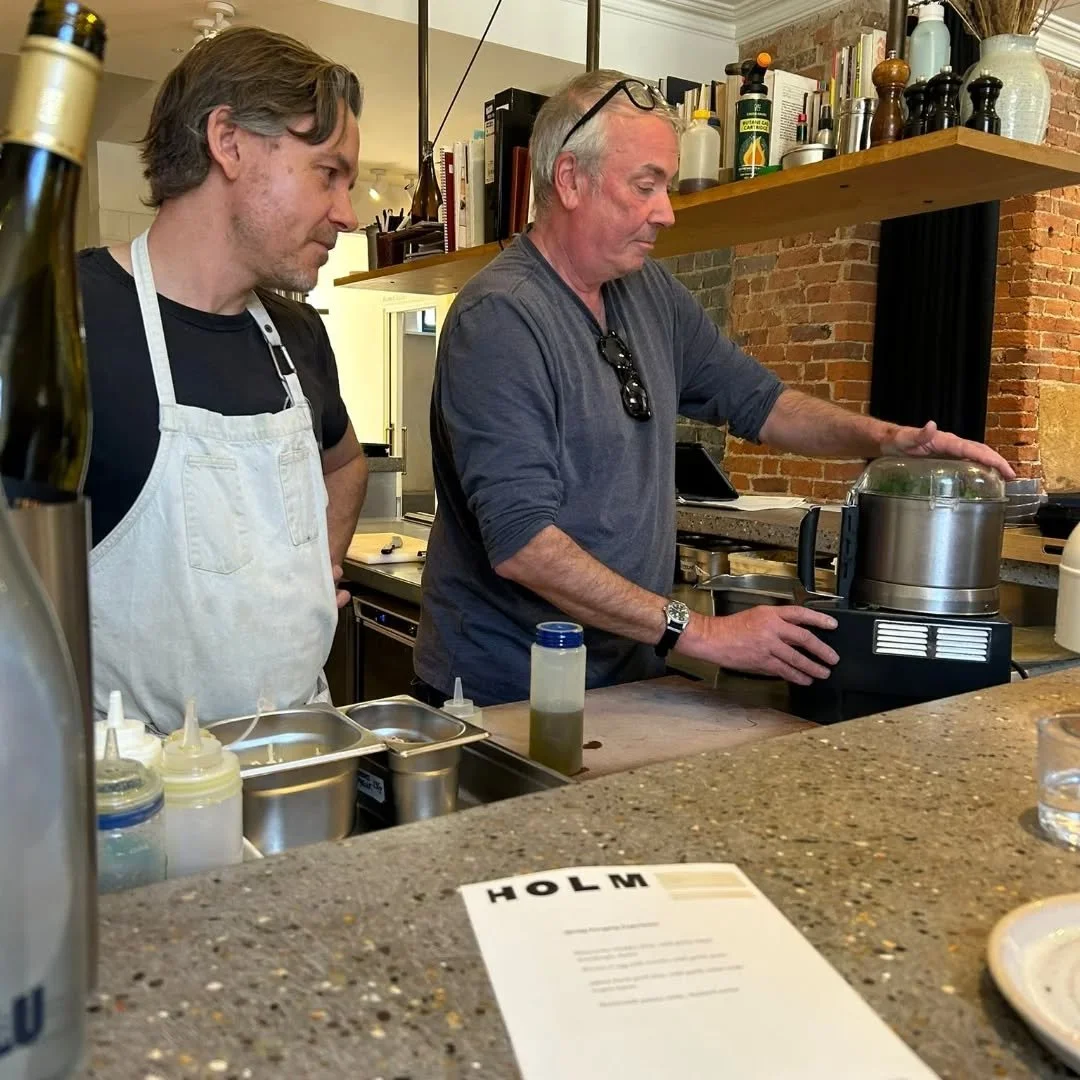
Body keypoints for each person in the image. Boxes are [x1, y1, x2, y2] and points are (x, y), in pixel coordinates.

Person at [414, 69, 1014, 709]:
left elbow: (763, 403)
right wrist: (701, 633)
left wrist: (891, 441)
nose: (666, 212)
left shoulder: (649, 293)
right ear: (569, 180)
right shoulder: (502, 318)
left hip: (624, 675)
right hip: (505, 690)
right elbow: (524, 545)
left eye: (666, 187)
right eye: (646, 186)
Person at [81, 28, 368, 730]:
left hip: (297, 760)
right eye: (328, 172)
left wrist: (315, 570)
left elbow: (348, 461)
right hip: (129, 791)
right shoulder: (63, 319)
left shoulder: (299, 335)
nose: (348, 214)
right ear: (229, 142)